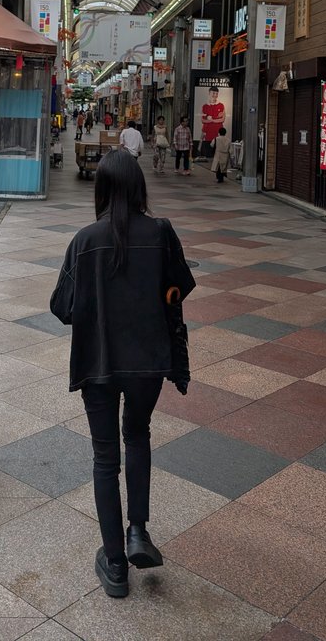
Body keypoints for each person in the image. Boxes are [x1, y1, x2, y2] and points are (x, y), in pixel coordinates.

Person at [50, 150, 195, 598]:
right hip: (148, 363)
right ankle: (138, 531)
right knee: (138, 436)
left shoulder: (85, 240)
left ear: (101, 189)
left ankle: (114, 565)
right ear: (138, 188)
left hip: (99, 364)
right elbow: (179, 289)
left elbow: (62, 307)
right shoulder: (161, 233)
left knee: (104, 458)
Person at [200, 86, 226, 158]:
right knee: (208, 153)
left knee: (218, 153)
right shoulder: (205, 106)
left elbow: (222, 119)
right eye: (213, 93)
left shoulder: (221, 105)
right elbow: (202, 120)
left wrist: (211, 120)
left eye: (216, 93)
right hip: (207, 133)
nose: (215, 95)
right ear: (209, 93)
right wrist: (215, 119)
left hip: (218, 134)